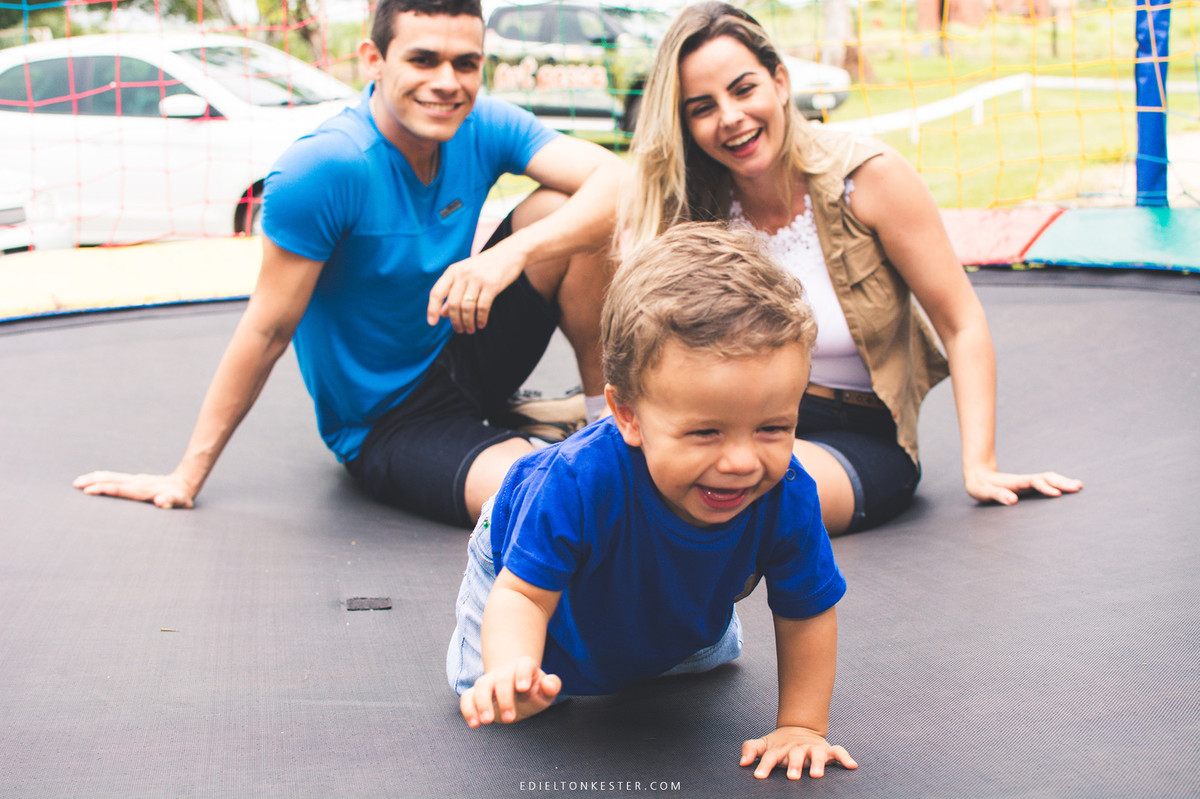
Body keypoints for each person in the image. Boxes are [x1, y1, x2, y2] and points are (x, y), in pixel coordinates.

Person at [73, 0, 627, 527]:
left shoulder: (481, 124)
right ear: (373, 60)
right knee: (554, 499)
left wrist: (511, 253)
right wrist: (186, 475)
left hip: (462, 344)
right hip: (391, 419)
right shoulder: (324, 168)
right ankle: (518, 440)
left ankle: (601, 423)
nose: (447, 82)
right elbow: (267, 330)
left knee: (566, 212)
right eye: (423, 60)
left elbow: (622, 185)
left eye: (465, 64)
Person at [620, 1, 1081, 535]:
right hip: (725, 427)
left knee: (756, 498)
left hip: (853, 433)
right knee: (613, 484)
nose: (730, 117)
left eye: (743, 90)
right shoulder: (691, 206)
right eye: (702, 108)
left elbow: (961, 322)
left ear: (780, 82)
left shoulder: (867, 178)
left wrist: (981, 465)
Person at [448, 223, 859, 781]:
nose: (742, 461)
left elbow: (806, 610)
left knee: (698, 660)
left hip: (653, 581)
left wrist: (802, 726)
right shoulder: (575, 482)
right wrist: (511, 670)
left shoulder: (787, 490)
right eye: (706, 432)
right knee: (503, 695)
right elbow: (522, 596)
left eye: (772, 427)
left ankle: (662, 629)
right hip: (519, 560)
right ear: (628, 416)